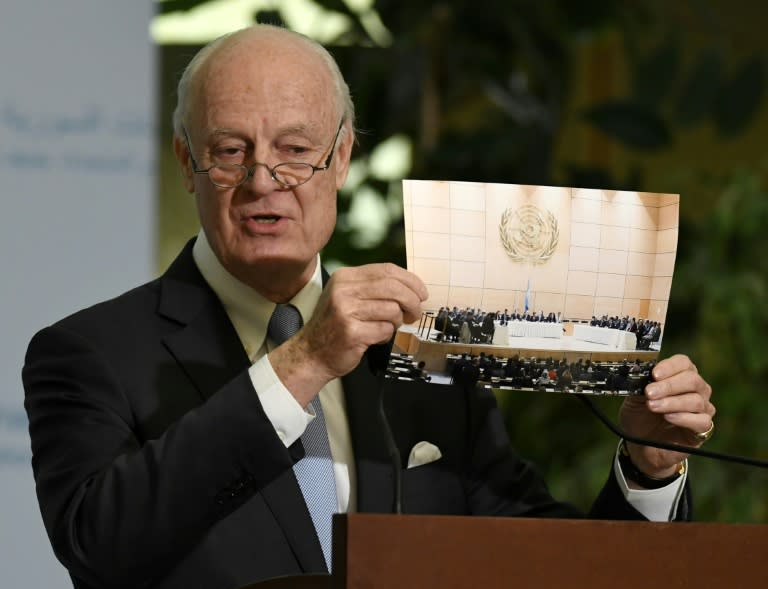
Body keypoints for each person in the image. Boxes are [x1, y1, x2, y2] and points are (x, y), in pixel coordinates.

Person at [22, 24, 716, 589]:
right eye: (231, 151)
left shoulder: (423, 350)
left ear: (343, 156)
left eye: (296, 150)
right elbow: (99, 545)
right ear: (186, 162)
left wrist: (646, 469)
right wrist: (302, 363)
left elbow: (543, 562)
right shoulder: (90, 352)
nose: (265, 179)